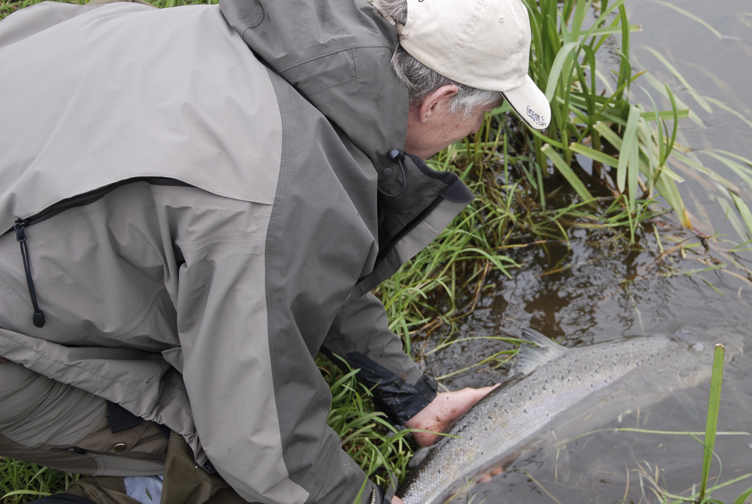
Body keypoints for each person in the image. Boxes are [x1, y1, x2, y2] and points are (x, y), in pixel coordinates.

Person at [0, 0, 551, 503]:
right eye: (488, 111)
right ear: (439, 102)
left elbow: (298, 266)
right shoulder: (283, 191)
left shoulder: (249, 38)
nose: (479, 132)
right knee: (212, 468)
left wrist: (411, 395)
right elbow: (257, 440)